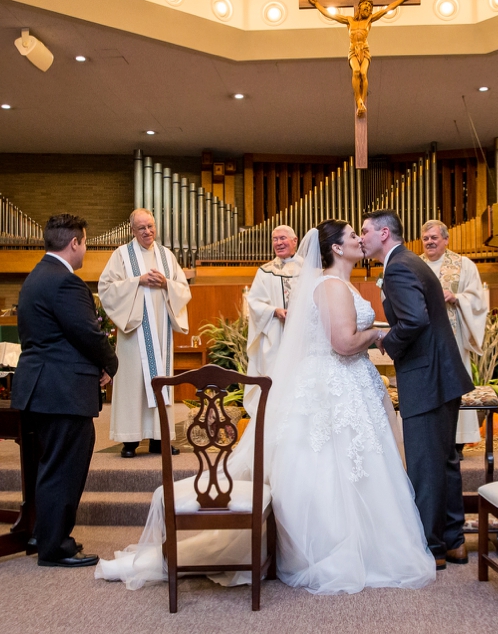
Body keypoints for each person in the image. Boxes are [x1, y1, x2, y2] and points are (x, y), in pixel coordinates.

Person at [96, 222, 435, 593]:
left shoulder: (336, 284)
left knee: (350, 466)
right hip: (333, 387)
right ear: (336, 249)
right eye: (352, 235)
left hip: (342, 386)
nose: (360, 240)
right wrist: (377, 334)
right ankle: (337, 546)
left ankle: (359, 540)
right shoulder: (333, 286)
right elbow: (342, 342)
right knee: (333, 468)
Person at [360, 209, 475, 570]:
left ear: (383, 233)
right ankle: (453, 541)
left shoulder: (397, 266)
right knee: (445, 462)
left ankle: (432, 548)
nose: (361, 238)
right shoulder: (411, 261)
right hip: (442, 373)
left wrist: (386, 340)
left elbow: (413, 319)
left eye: (364, 231)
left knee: (427, 466)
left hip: (426, 376)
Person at [13, 214, 118, 568]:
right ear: (74, 243)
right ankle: (54, 547)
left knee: (51, 466)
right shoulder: (65, 283)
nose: (85, 249)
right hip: (62, 391)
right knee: (64, 470)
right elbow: (87, 333)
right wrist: (111, 363)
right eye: (85, 243)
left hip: (40, 387)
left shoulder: (35, 277)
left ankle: (46, 534)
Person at [98, 209, 191, 458]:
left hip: (160, 335)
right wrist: (137, 281)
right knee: (134, 384)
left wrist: (166, 285)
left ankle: (159, 438)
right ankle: (130, 440)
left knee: (161, 382)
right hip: (134, 333)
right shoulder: (122, 256)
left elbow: (183, 289)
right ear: (132, 230)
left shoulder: (166, 256)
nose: (147, 231)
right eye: (141, 228)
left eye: (150, 226)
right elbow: (106, 288)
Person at [419, 220, 488, 449]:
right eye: (426, 238)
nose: (429, 242)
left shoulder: (463, 265)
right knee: (427, 385)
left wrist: (457, 298)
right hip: (424, 338)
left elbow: (478, 298)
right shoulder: (415, 265)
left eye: (434, 238)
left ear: (446, 240)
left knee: (453, 384)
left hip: (453, 336)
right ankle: (431, 440)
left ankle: (456, 442)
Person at [306, 0, 412, 117]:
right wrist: (316, 3)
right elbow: (330, 15)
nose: (367, 7)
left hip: (365, 49)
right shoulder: (349, 20)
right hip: (353, 50)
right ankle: (359, 101)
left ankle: (363, 101)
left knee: (363, 73)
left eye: (369, 7)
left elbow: (387, 9)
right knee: (356, 71)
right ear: (359, 7)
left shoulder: (369, 20)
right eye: (365, 5)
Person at [244, 225, 302, 418]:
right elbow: (254, 302)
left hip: (302, 339)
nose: (278, 243)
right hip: (275, 336)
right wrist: (274, 311)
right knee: (276, 382)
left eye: (283, 238)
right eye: (275, 239)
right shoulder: (265, 271)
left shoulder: (308, 269)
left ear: (295, 241)